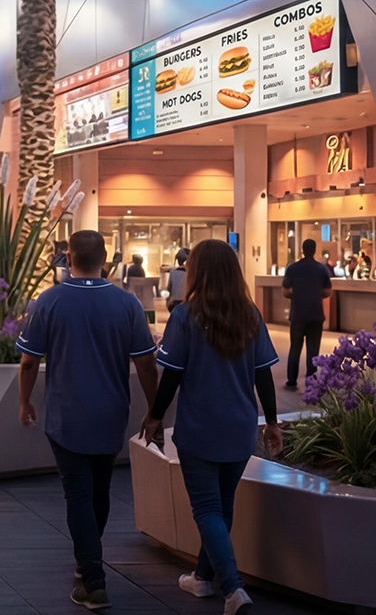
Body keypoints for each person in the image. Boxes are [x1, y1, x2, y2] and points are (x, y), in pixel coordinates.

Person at [16, 229, 160, 612]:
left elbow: (30, 360)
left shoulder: (48, 301)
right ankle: (88, 562)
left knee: (77, 493)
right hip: (112, 414)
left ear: (67, 258)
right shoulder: (127, 305)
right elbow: (145, 361)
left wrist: (24, 401)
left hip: (67, 417)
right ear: (107, 260)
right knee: (98, 490)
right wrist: (153, 410)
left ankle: (93, 579)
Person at [140, 240, 282, 615]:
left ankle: (234, 590)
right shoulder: (250, 314)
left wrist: (154, 416)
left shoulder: (186, 316)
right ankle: (202, 578)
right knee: (222, 504)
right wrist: (271, 422)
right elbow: (263, 374)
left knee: (205, 508)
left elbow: (171, 375)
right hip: (239, 427)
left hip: (199, 428)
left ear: (196, 271)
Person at [282, 239, 333, 390]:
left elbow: (285, 290)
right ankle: (311, 380)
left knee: (295, 347)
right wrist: (316, 294)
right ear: (315, 250)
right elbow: (328, 291)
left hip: (297, 314)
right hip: (316, 314)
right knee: (313, 349)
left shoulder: (293, 268)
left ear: (302, 250)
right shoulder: (321, 269)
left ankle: (291, 380)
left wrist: (297, 295)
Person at [166, 248, 190, 314]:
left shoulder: (172, 272)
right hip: (188, 303)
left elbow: (169, 288)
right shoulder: (191, 273)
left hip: (174, 303)